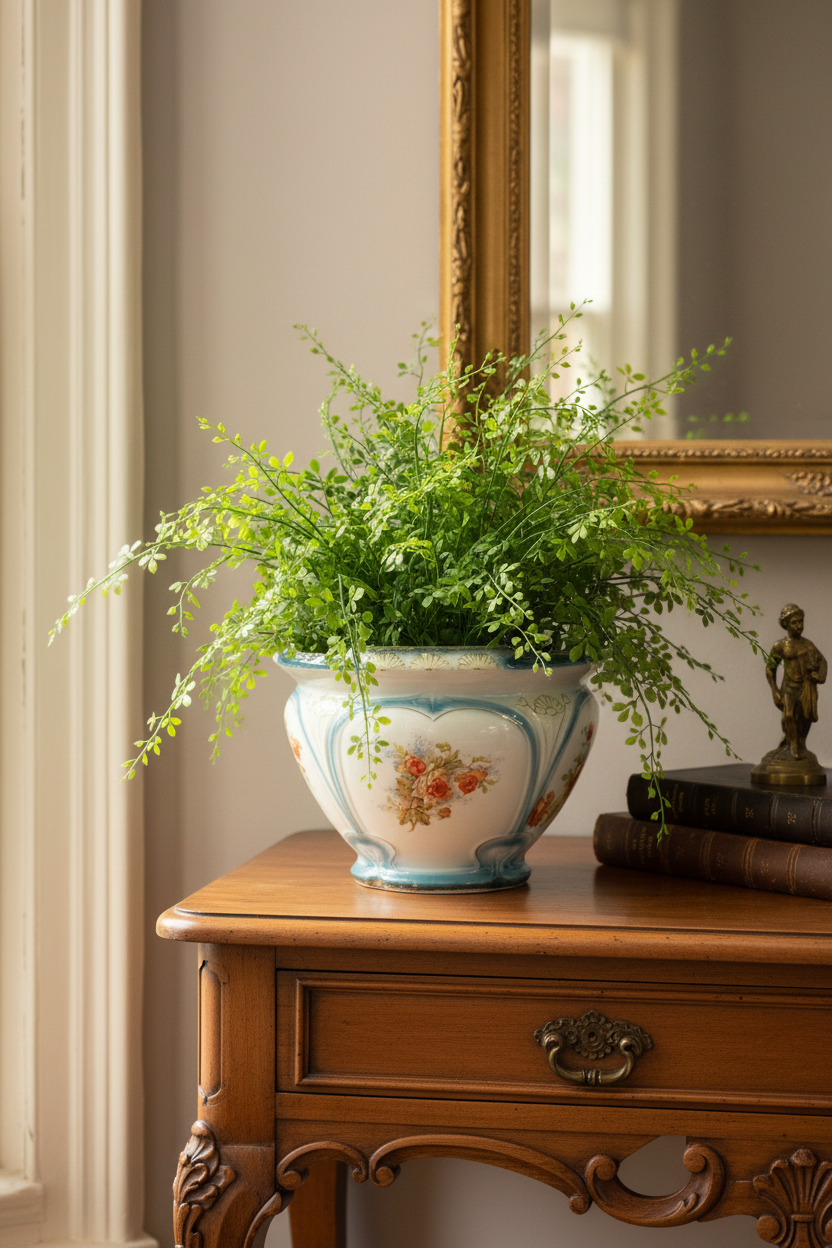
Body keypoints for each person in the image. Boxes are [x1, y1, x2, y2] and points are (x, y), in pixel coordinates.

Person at [765, 603, 827, 761]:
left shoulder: (808, 644)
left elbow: (822, 662)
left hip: (806, 686)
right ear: (786, 624)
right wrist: (775, 690)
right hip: (789, 687)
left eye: (801, 622)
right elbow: (770, 669)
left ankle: (801, 744)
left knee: (806, 717)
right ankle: (792, 746)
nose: (799, 626)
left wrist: (820, 676)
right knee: (789, 716)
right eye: (795, 622)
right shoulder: (780, 646)